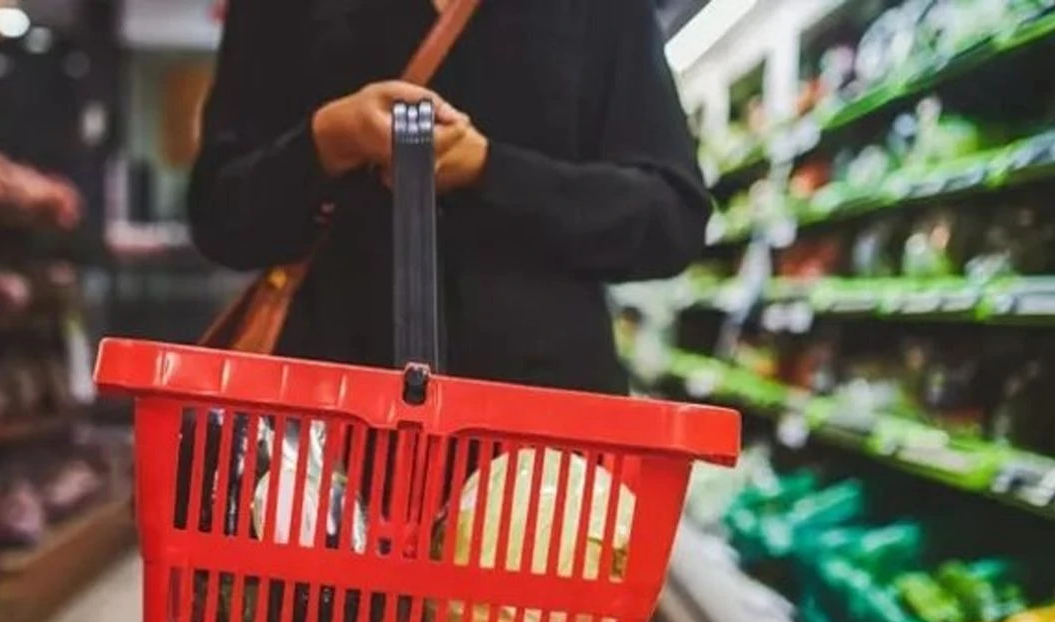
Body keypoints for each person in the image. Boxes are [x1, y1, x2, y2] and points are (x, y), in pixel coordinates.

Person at [188, 0, 710, 398]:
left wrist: (490, 170)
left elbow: (671, 216)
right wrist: (328, 141)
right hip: (327, 429)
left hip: (544, 445)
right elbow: (219, 213)